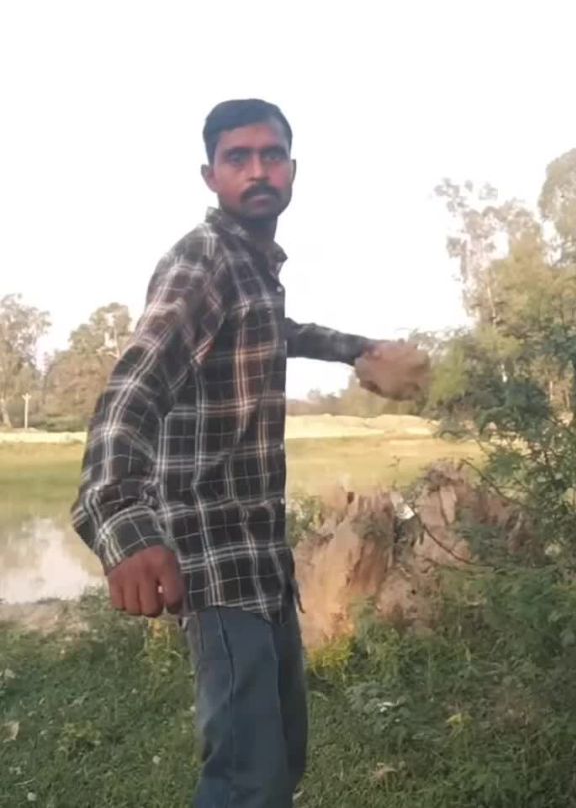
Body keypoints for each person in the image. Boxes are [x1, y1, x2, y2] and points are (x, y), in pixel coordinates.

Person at [71, 98, 428, 808]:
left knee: (281, 759)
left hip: (262, 558)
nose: (258, 171)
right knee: (247, 781)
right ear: (210, 176)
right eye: (238, 158)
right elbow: (133, 388)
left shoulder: (251, 268)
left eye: (272, 156)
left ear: (293, 170)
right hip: (215, 559)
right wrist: (119, 517)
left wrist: (358, 350)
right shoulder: (203, 262)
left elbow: (277, 329)